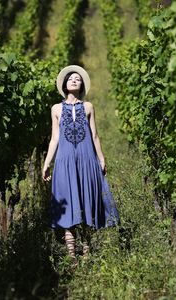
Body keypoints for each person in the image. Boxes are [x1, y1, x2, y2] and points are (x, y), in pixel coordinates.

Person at [42, 65, 119, 265]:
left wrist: (101, 158)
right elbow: (54, 138)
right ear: (65, 85)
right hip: (64, 162)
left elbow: (94, 135)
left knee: (88, 202)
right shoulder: (56, 109)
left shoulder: (89, 107)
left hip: (87, 161)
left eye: (78, 78)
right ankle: (72, 257)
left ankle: (86, 254)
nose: (74, 80)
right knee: (68, 205)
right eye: (71, 78)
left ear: (82, 84)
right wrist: (46, 164)